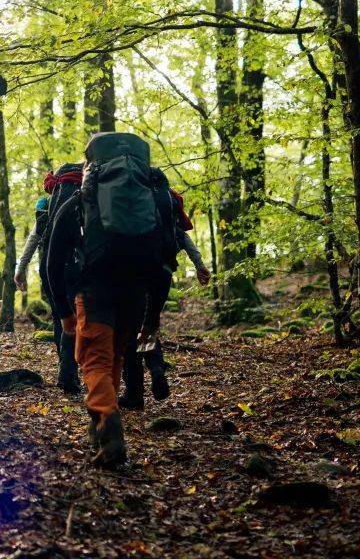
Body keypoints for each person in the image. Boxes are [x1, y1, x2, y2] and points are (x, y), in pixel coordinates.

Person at [46, 132, 165, 468]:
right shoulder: (156, 199)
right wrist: (152, 317)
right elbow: (165, 260)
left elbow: (53, 262)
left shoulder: (81, 200)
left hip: (96, 289)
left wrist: (64, 312)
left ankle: (109, 426)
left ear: (91, 163)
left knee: (94, 361)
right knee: (112, 356)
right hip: (136, 294)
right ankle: (99, 426)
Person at [119, 188, 211, 409]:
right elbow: (185, 239)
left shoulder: (130, 207)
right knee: (148, 325)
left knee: (130, 332)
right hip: (163, 274)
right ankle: (157, 368)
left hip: (136, 277)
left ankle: (134, 394)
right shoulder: (168, 214)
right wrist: (200, 266)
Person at [15, 163, 84, 393]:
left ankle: (67, 373)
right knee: (82, 315)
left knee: (61, 317)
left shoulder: (48, 204)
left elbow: (34, 238)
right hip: (80, 266)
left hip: (51, 267)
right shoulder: (90, 199)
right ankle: (83, 369)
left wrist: (20, 268)